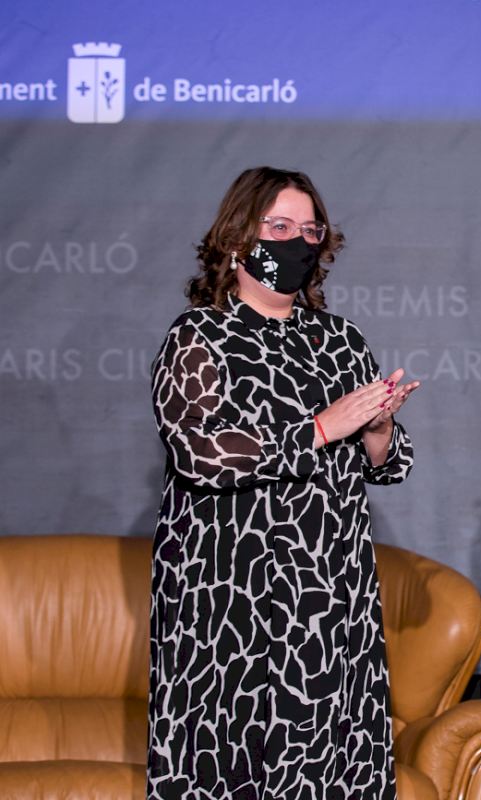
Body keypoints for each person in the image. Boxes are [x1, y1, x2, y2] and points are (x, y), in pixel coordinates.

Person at [147, 166, 419, 798]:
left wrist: (378, 429)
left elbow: (385, 464)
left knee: (330, 765)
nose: (297, 241)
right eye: (279, 227)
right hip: (228, 603)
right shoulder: (197, 336)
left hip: (327, 596)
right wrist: (319, 429)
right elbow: (198, 451)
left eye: (310, 229)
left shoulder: (341, 339)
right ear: (237, 238)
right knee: (228, 765)